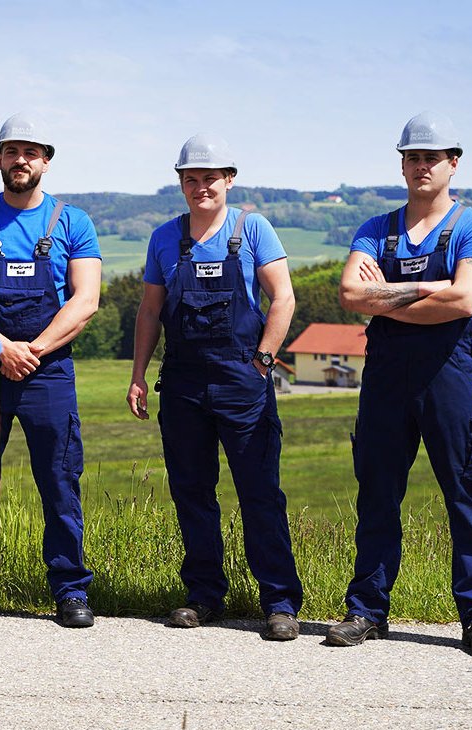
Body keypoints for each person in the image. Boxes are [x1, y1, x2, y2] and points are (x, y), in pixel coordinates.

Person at [328, 111, 472, 658]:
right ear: (401, 164)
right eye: (412, 157)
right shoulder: (374, 228)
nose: (421, 165)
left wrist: (396, 293)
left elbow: (466, 300)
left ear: (453, 163)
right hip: (385, 378)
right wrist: (434, 291)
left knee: (466, 493)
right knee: (378, 492)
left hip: (450, 376)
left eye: (432, 157)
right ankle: (367, 611)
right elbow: (351, 296)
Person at [126, 134, 303, 641]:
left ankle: (279, 602)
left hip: (240, 379)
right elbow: (151, 310)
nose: (200, 186)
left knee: (259, 492)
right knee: (192, 491)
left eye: (210, 178)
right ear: (180, 182)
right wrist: (138, 374)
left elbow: (283, 298)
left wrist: (263, 362)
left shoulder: (253, 230)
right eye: (190, 179)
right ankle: (203, 596)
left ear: (229, 179)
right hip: (182, 381)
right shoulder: (165, 237)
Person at [0, 113, 100, 628]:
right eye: (13, 151)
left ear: (47, 161)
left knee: (59, 480)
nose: (21, 160)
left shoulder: (72, 222)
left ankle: (71, 589)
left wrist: (30, 349)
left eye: (32, 152)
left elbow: (86, 300)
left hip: (48, 371)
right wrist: (0, 348)